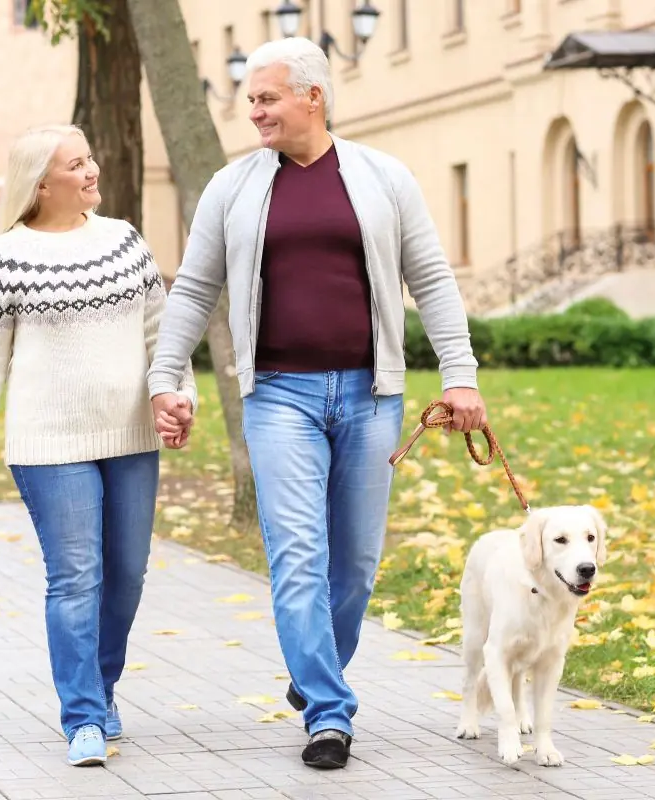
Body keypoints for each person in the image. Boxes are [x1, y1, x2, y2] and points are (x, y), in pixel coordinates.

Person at [146, 37, 487, 770]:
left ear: (313, 96)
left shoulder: (383, 177)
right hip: (278, 397)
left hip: (370, 395)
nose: (255, 111)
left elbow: (431, 278)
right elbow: (196, 288)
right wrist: (164, 377)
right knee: (298, 556)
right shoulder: (231, 188)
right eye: (251, 101)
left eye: (267, 98)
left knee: (356, 564)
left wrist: (461, 375)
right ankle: (329, 712)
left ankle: (313, 668)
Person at [0, 124, 195, 767]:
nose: (93, 170)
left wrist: (177, 395)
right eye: (77, 163)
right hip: (48, 443)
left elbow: (160, 332)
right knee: (75, 579)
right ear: (42, 183)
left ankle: (102, 684)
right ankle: (84, 716)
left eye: (90, 157)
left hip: (130, 436)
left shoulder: (123, 241)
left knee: (126, 574)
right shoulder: (4, 256)